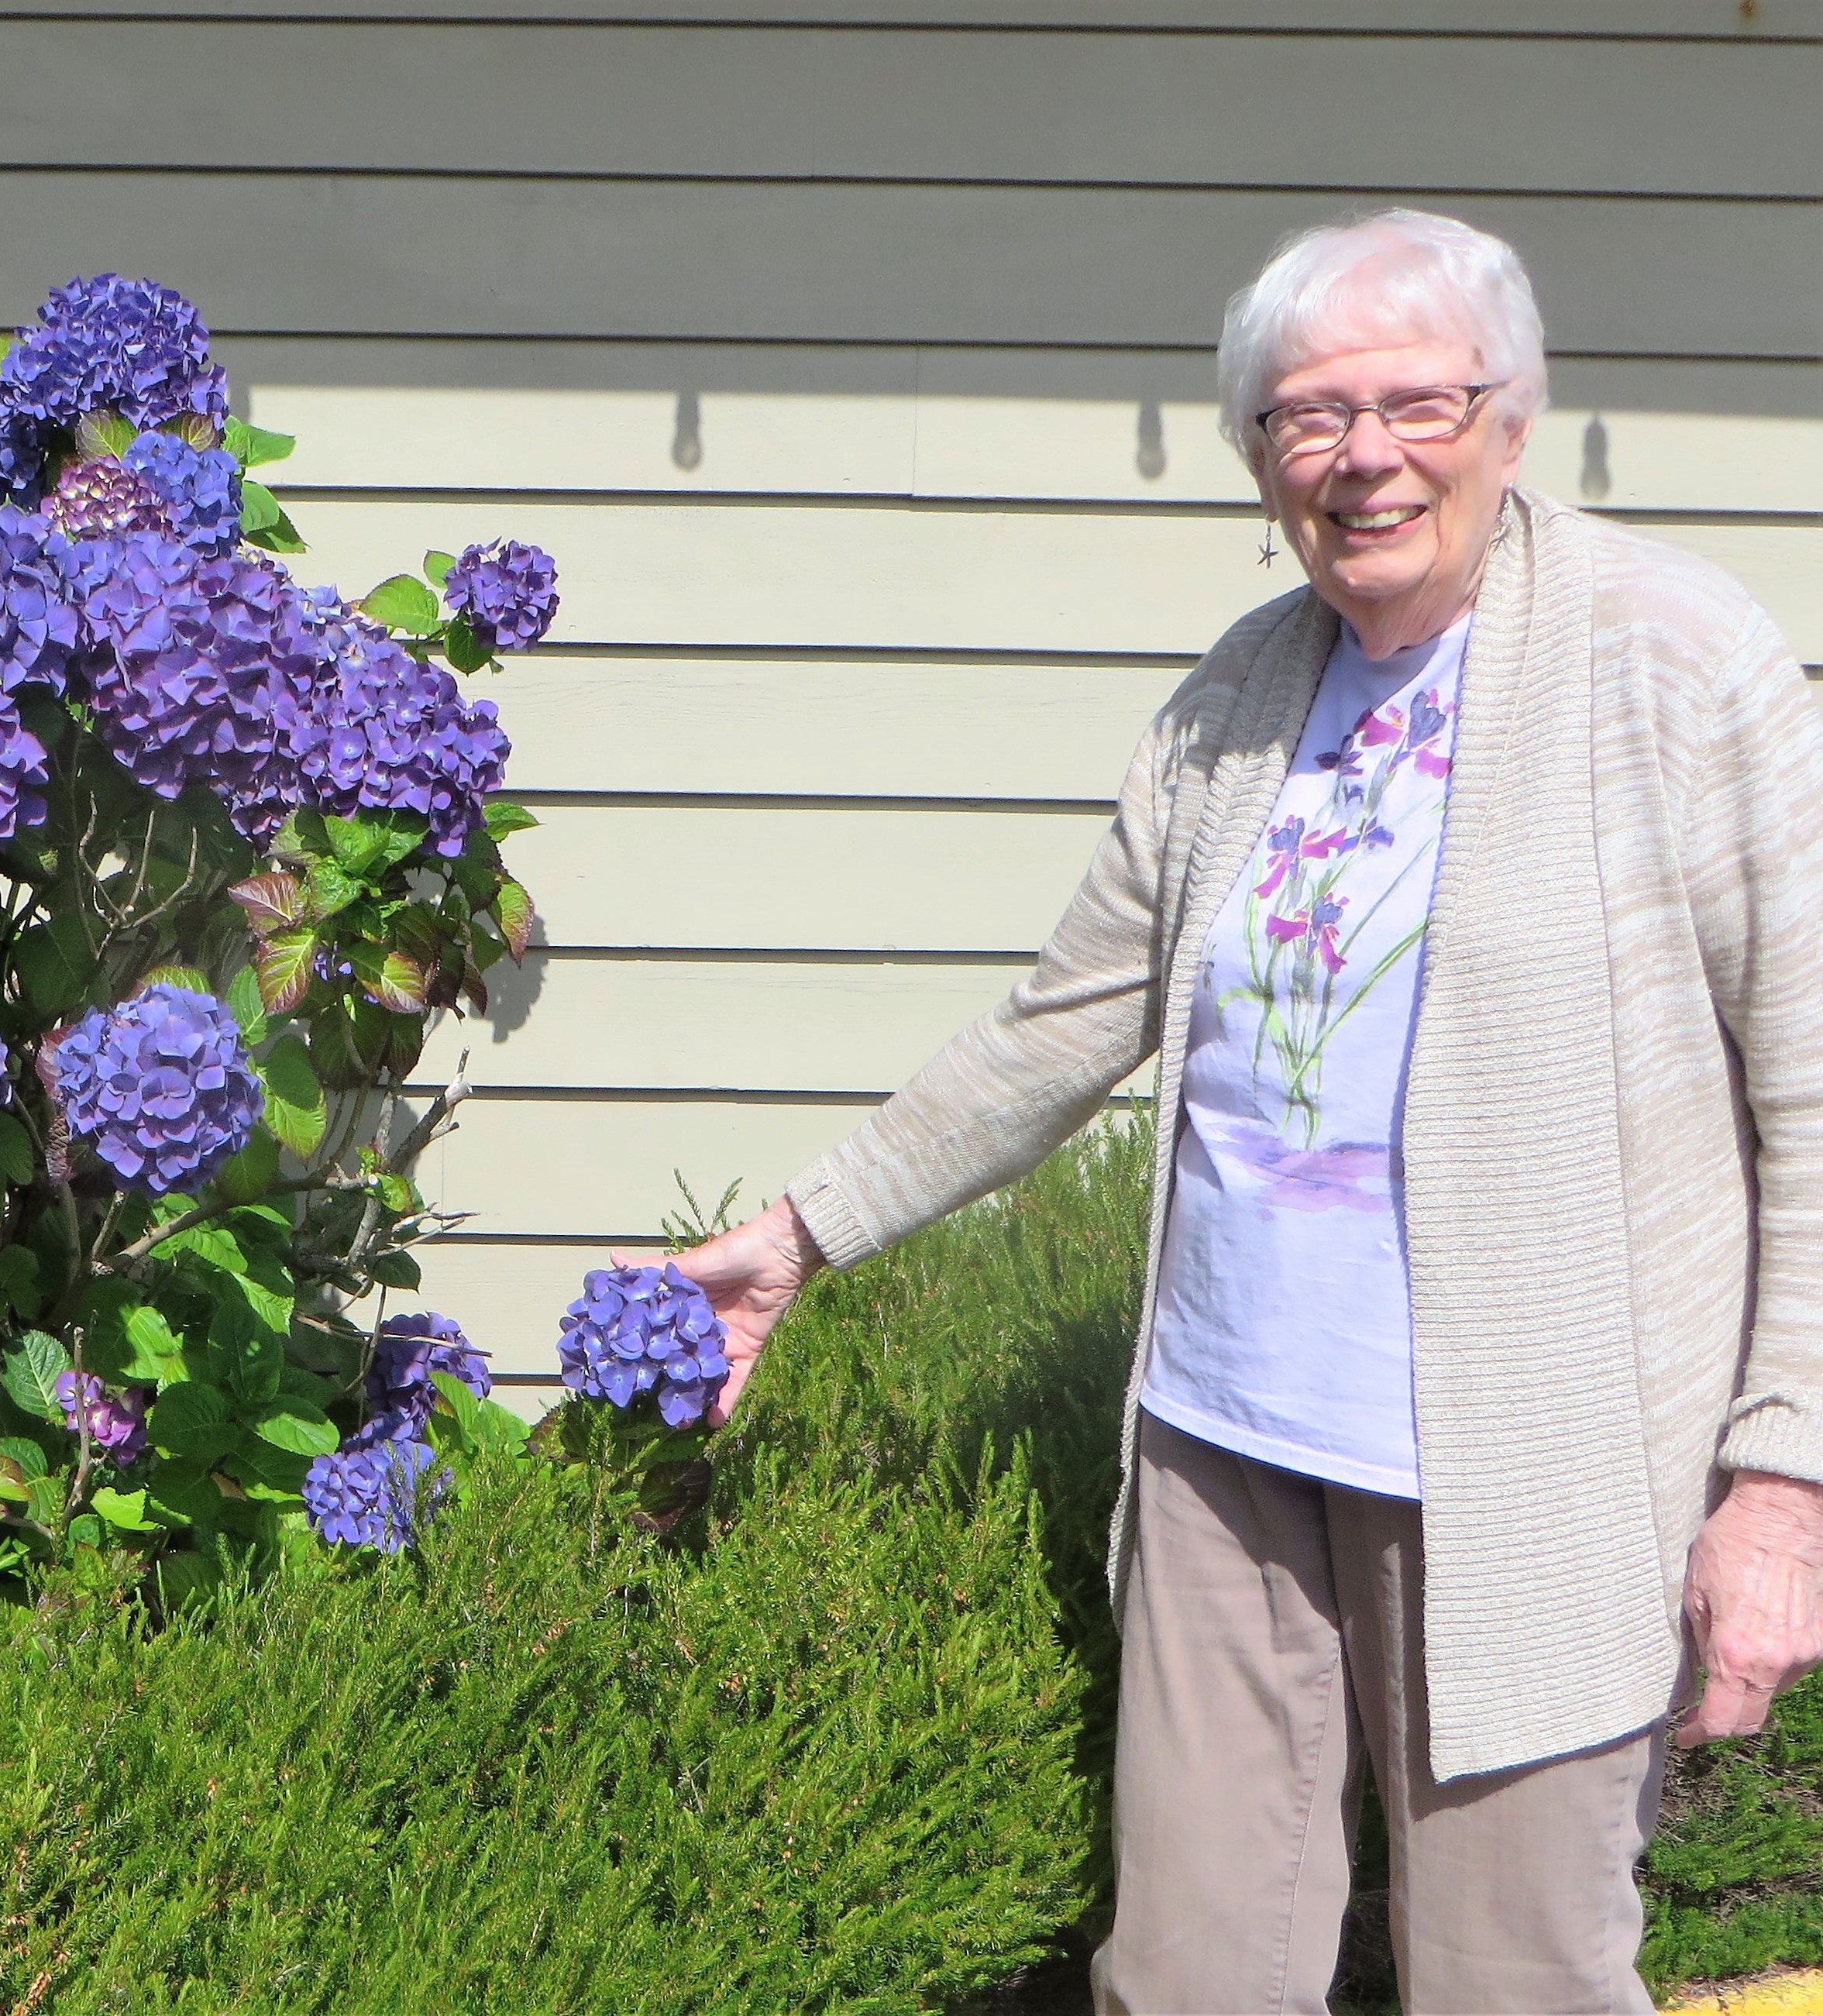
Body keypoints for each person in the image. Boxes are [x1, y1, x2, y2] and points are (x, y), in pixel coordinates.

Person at [671, 208, 1823, 2014]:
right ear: (1257, 455)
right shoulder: (1242, 688)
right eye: (1304, 416)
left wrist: (1781, 1482)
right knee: (1183, 1974)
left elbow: (1809, 1088)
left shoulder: (1672, 656)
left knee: (1509, 1977)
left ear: (1510, 415)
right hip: (1225, 1440)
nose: (1361, 455)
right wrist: (802, 1229)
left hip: (1528, 1471)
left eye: (1414, 403)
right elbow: (1062, 1019)